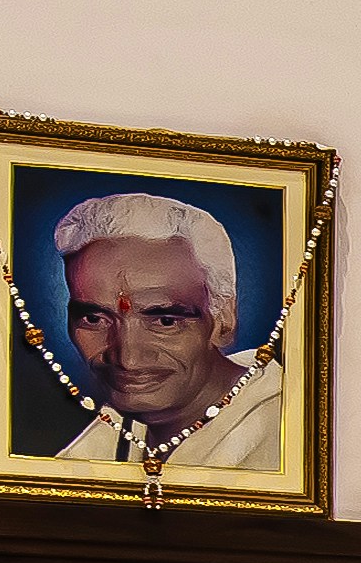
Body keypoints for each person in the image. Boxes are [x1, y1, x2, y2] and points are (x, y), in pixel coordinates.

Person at [40, 185, 286, 474]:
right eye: (95, 319)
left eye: (164, 321)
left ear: (224, 320)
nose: (127, 359)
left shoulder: (283, 431)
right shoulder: (112, 431)